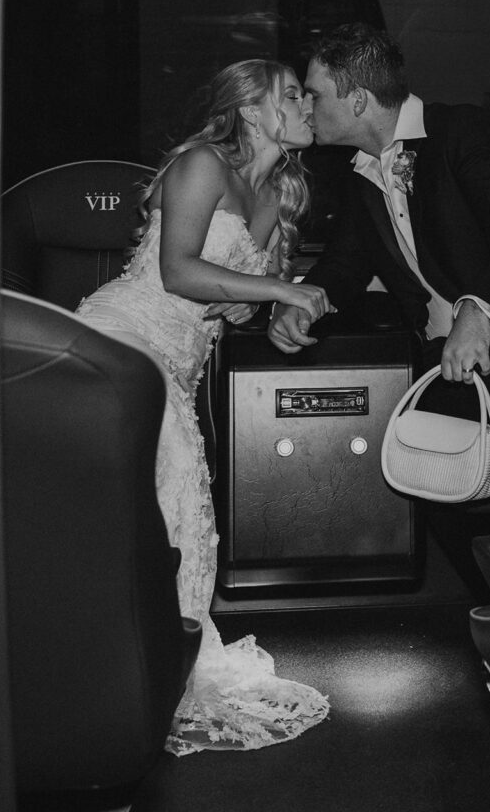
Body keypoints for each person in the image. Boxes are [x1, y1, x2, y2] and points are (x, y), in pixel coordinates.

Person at [76, 59, 332, 754]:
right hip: (123, 340)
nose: (309, 105)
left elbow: (240, 305)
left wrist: (269, 314)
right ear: (251, 111)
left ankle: (153, 670)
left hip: (181, 362)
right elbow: (176, 270)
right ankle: (142, 677)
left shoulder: (279, 193)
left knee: (171, 514)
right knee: (177, 500)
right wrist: (277, 294)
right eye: (292, 96)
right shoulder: (200, 164)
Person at [268, 23, 490, 521]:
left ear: (357, 100)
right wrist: (304, 301)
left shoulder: (464, 131)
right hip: (440, 360)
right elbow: (345, 262)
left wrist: (476, 313)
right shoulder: (360, 172)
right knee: (417, 489)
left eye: (313, 94)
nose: (305, 108)